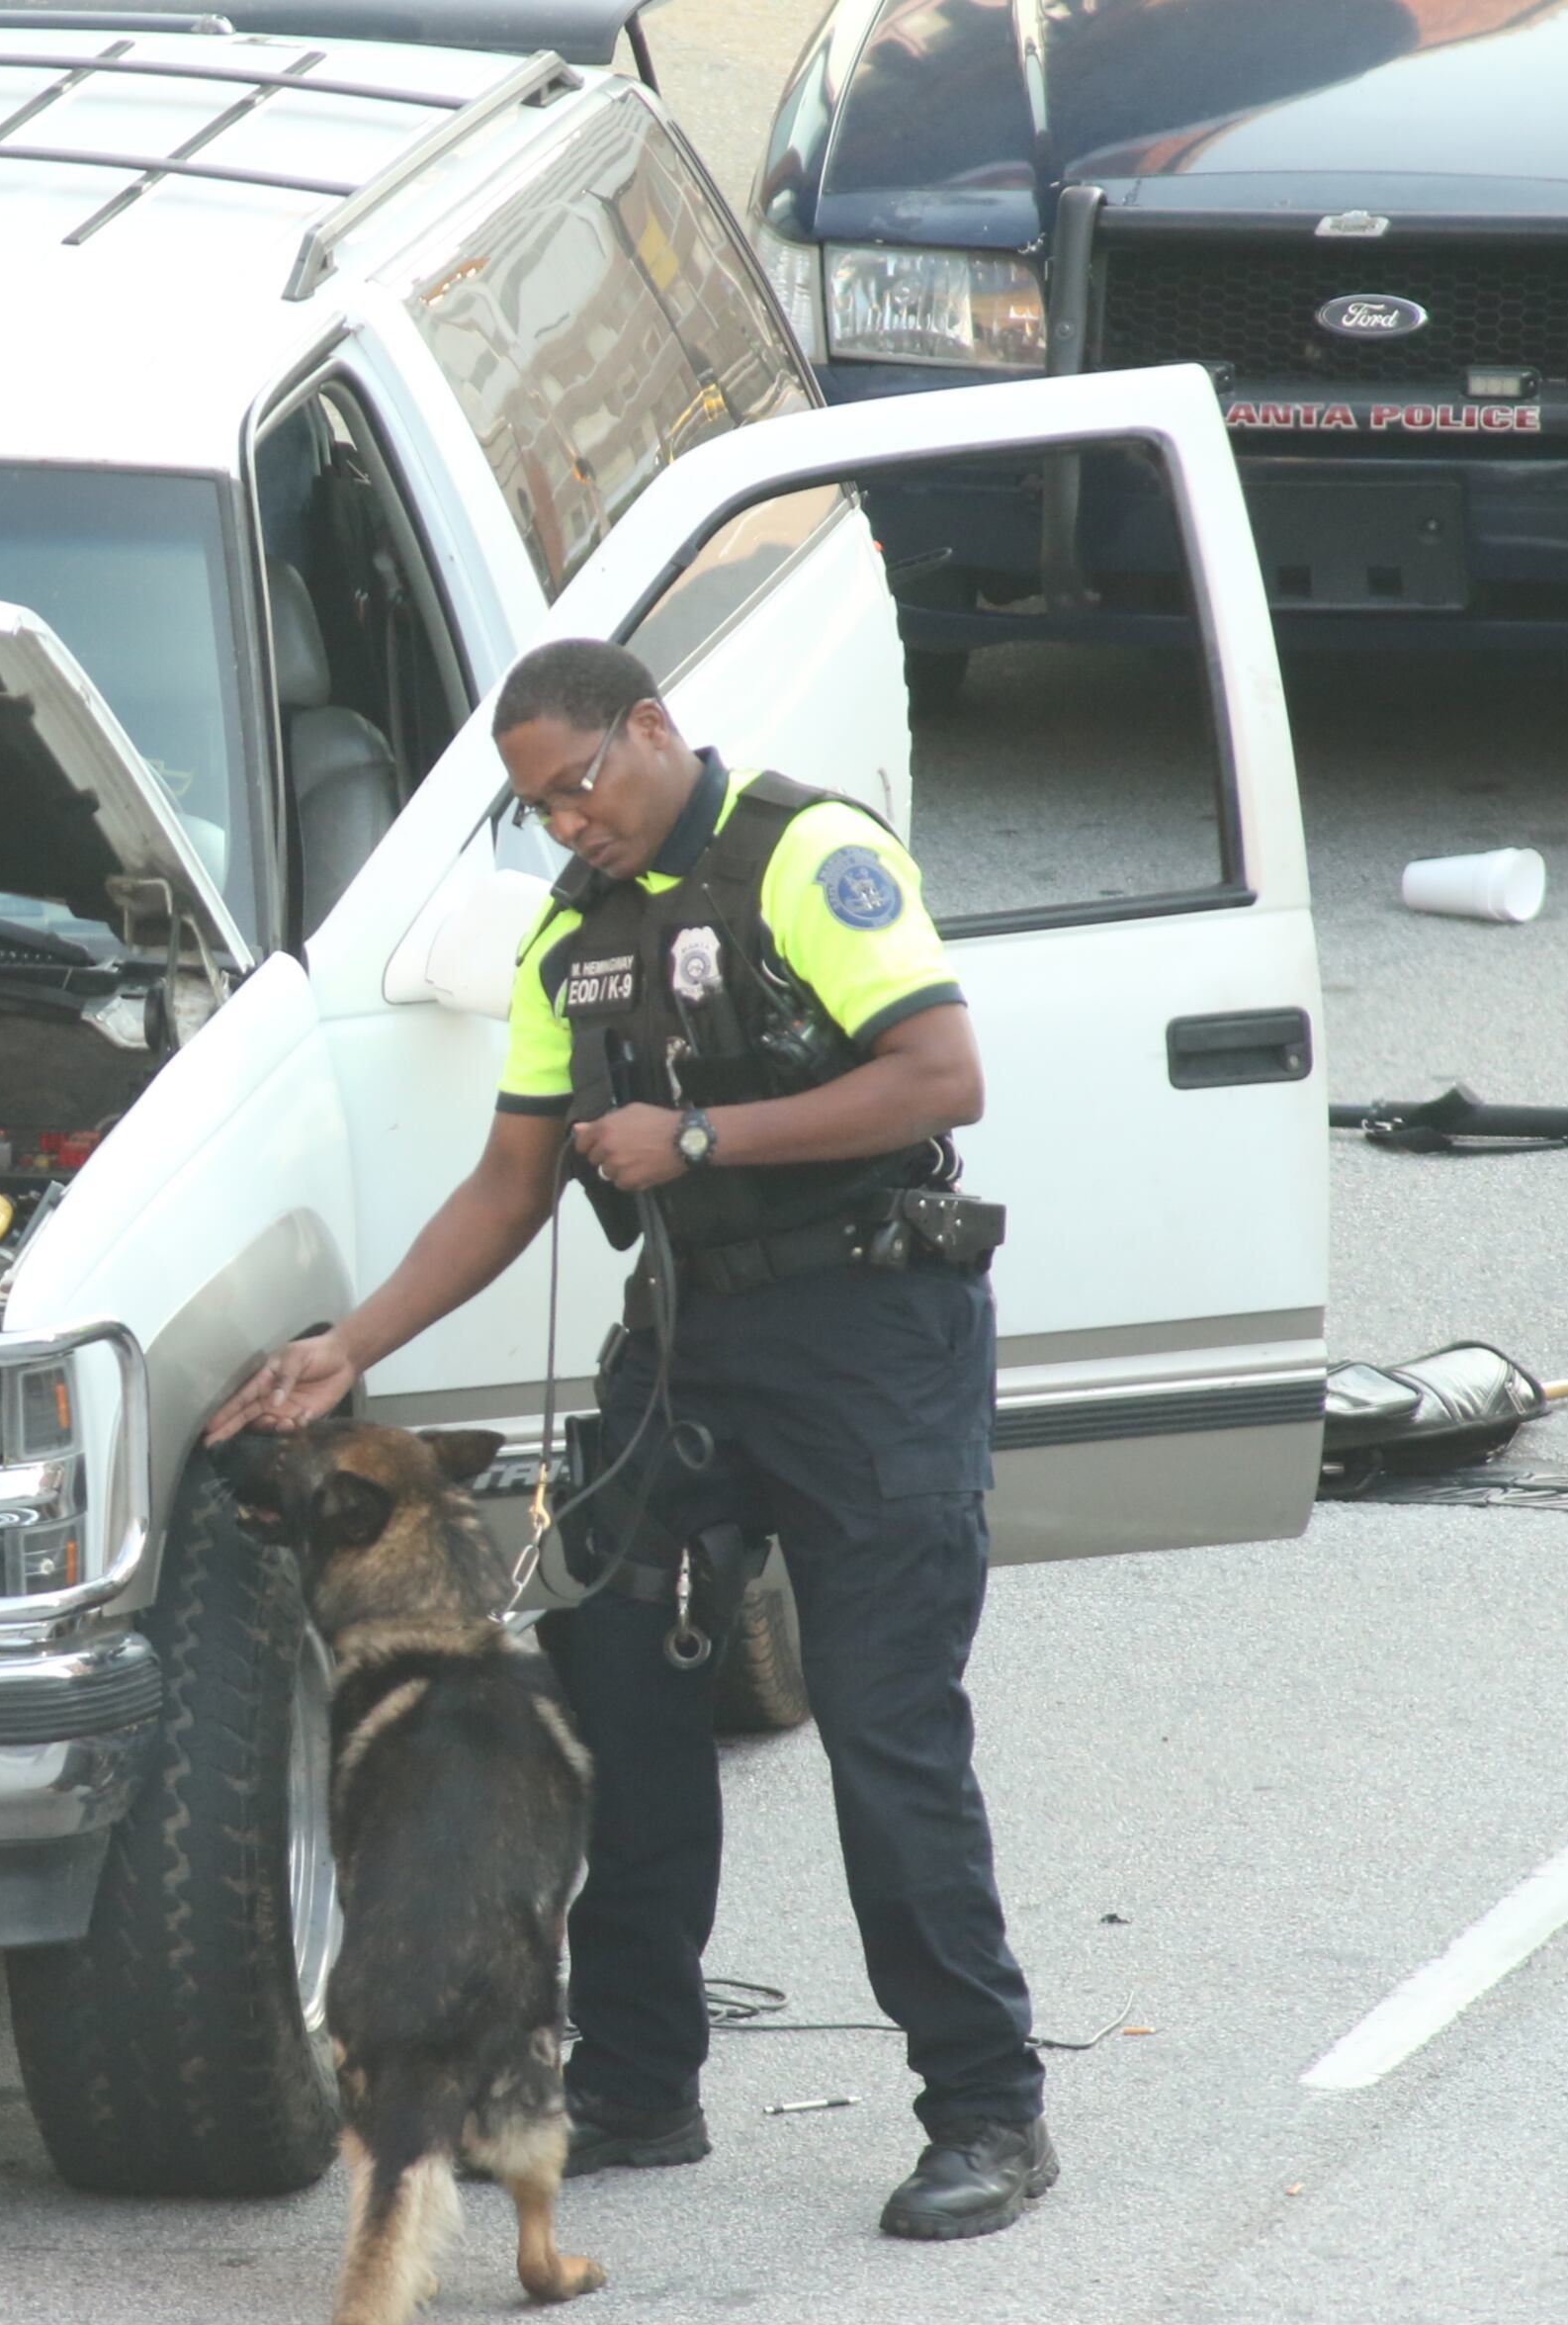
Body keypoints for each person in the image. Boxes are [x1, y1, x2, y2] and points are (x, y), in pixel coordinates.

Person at [210, 637, 1054, 2241]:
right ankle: (638, 2089)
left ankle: (988, 2109)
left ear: (653, 728)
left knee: (885, 1735)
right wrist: (346, 1352)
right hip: (685, 1349)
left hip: (872, 1340)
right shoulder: (572, 941)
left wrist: (705, 1134)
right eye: (537, 808)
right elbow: (511, 1187)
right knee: (621, 1707)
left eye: (579, 785)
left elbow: (942, 1075)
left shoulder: (810, 859)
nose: (568, 824)